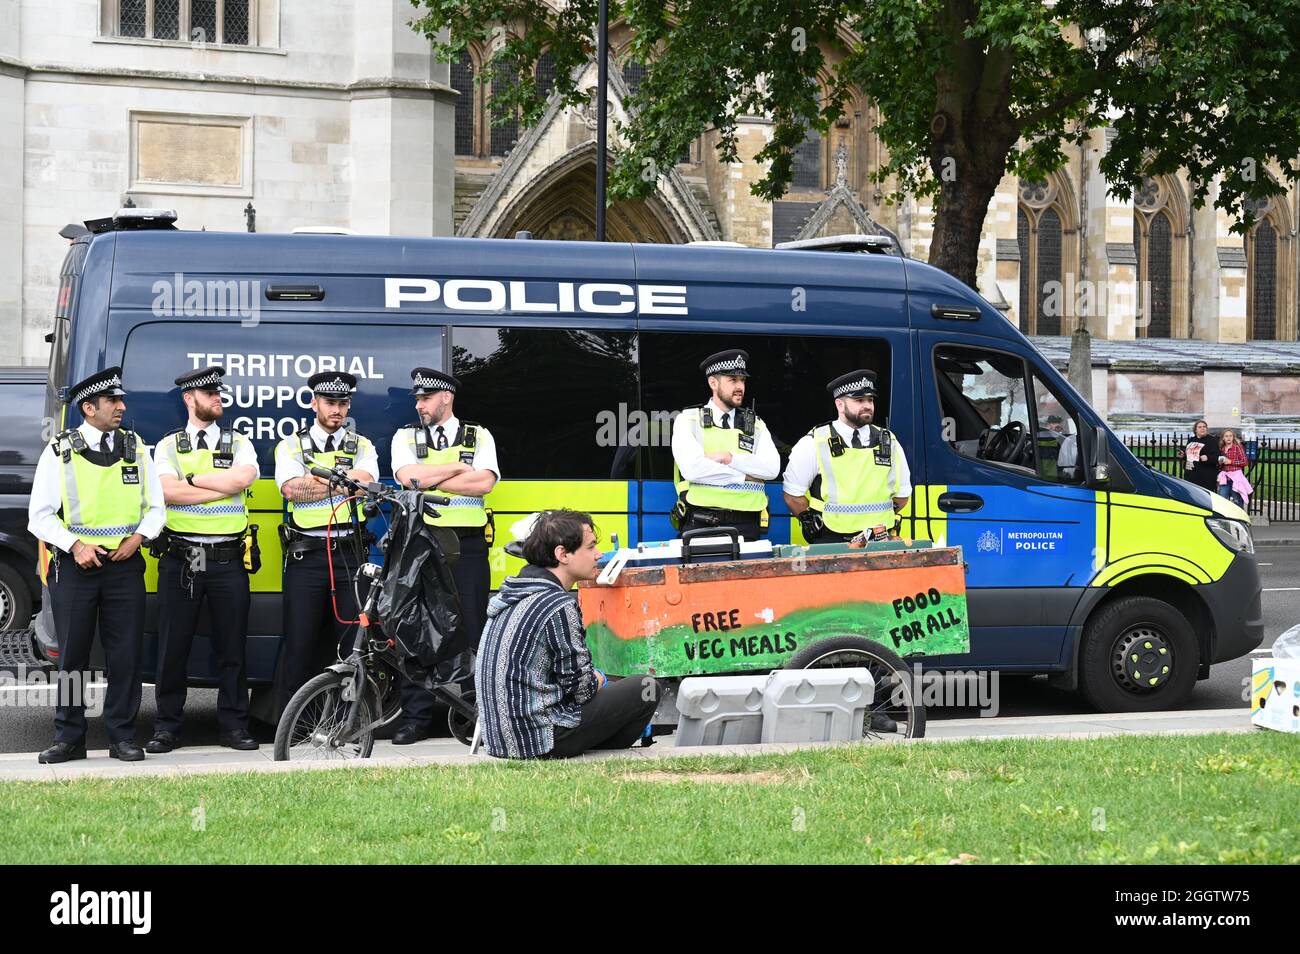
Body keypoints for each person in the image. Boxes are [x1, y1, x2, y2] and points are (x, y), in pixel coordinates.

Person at [27, 367, 165, 763]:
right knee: (73, 657)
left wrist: (138, 538)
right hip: (76, 568)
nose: (121, 407)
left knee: (126, 655)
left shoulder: (136, 447)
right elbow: (40, 515)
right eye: (113, 402)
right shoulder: (60, 450)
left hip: (125, 566)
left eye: (121, 401)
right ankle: (69, 738)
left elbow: (155, 507)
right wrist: (75, 545)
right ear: (89, 408)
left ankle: (122, 736)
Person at [476, 509, 661, 759]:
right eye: (591, 547)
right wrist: (598, 678)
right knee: (647, 687)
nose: (599, 554)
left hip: (501, 741)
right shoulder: (557, 604)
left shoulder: (509, 595)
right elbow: (581, 691)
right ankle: (608, 754)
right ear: (562, 554)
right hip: (541, 741)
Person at [147, 366, 260, 753]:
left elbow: (241, 481)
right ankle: (166, 727)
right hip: (183, 558)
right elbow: (166, 494)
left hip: (228, 558)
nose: (217, 398)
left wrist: (192, 480)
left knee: (232, 648)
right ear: (188, 399)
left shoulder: (240, 442)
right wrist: (217, 486)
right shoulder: (167, 446)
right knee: (173, 647)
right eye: (209, 393)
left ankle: (234, 727)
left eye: (219, 393)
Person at [389, 367, 500, 744]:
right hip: (421, 543)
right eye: (417, 399)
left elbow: (485, 481)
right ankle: (415, 720)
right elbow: (409, 478)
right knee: (418, 629)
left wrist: (431, 475)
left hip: (467, 545)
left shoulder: (479, 434)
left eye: (425, 398)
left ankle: (474, 719)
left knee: (472, 629)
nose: (419, 405)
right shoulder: (405, 436)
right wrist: (456, 467)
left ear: (446, 397)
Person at [272, 371, 379, 716]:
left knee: (352, 646)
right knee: (299, 645)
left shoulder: (362, 444)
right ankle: (293, 726)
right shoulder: (291, 445)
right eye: (330, 403)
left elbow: (366, 485)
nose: (337, 409)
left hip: (350, 556)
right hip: (307, 557)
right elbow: (291, 490)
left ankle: (349, 723)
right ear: (314, 403)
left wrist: (319, 480)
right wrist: (344, 482)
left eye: (343, 403)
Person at [782, 370, 911, 544]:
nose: (867, 405)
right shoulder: (815, 441)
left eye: (870, 400)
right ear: (840, 405)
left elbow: (902, 496)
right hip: (831, 538)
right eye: (859, 400)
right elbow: (792, 494)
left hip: (879, 540)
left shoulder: (889, 441)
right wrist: (807, 519)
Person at [669, 349, 779, 540]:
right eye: (733, 380)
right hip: (703, 521)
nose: (740, 386)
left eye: (742, 380)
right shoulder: (688, 420)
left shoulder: (757, 424)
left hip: (748, 524)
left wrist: (729, 458)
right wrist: (745, 476)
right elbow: (693, 470)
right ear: (713, 383)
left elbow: (771, 469)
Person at [1216, 428, 1253, 509]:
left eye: (1230, 436)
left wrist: (1230, 461)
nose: (1228, 438)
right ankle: (1225, 518)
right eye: (1226, 436)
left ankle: (1239, 519)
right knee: (1222, 499)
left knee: (1237, 500)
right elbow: (1220, 466)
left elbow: (1245, 462)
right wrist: (1220, 463)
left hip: (1236, 478)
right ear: (1223, 438)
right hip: (1225, 479)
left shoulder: (1237, 447)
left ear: (1233, 437)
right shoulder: (1221, 449)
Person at [1184, 419, 1219, 492]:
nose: (1202, 428)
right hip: (1191, 474)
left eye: (1204, 426)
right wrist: (1183, 455)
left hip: (1206, 476)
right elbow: (1189, 455)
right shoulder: (1191, 440)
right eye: (1199, 427)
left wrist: (1208, 458)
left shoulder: (1212, 440)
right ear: (1195, 430)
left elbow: (1217, 457)